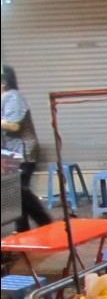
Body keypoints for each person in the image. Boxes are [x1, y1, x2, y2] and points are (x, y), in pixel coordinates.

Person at [1, 64, 53, 233]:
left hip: (22, 151)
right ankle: (23, 230)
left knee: (19, 190)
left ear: (3, 81)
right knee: (13, 193)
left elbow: (14, 125)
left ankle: (46, 223)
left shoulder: (13, 97)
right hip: (9, 152)